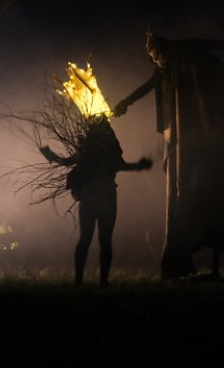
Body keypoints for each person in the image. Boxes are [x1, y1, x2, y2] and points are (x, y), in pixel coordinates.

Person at [114, 30, 224, 279]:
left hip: (196, 133)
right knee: (180, 192)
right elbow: (146, 87)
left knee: (201, 189)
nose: (152, 59)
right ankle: (181, 255)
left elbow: (211, 41)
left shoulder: (182, 54)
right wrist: (125, 103)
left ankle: (190, 251)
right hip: (177, 136)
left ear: (159, 49)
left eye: (152, 53)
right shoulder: (165, 69)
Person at [41, 116, 152, 286]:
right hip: (104, 199)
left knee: (88, 238)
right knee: (103, 239)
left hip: (91, 199)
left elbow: (66, 162)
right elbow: (123, 165)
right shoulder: (107, 150)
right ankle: (101, 281)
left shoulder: (89, 151)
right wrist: (139, 166)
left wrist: (49, 155)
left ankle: (82, 281)